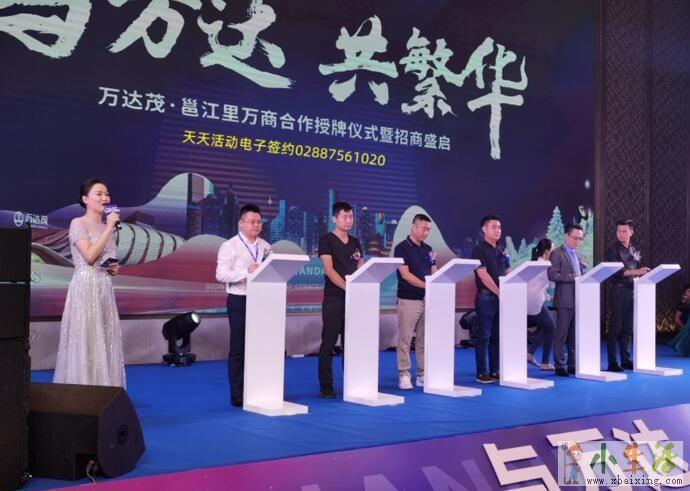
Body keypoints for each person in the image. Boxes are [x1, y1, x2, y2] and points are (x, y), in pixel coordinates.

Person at [53, 178, 125, 387]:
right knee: (86, 337)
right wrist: (109, 227)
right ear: (85, 199)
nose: (105, 198)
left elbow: (103, 260)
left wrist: (112, 268)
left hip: (104, 287)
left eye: (106, 194)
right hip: (85, 287)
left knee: (104, 338)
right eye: (99, 194)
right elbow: (90, 256)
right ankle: (83, 387)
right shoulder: (78, 223)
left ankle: (104, 387)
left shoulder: (106, 227)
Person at [216, 204, 271, 407]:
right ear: (241, 223)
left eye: (259, 222)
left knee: (259, 346)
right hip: (239, 299)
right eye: (252, 222)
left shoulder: (265, 246)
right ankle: (237, 394)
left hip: (261, 300)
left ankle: (257, 388)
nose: (256, 225)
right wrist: (245, 272)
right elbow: (221, 274)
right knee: (239, 347)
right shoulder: (229, 246)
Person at [317, 201, 363, 398]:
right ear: (334, 218)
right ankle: (326, 385)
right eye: (344, 217)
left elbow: (360, 266)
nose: (348, 221)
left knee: (351, 343)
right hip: (334, 298)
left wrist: (360, 287)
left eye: (351, 217)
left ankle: (351, 381)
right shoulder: (326, 240)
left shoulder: (355, 241)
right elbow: (329, 270)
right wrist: (348, 288)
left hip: (353, 299)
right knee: (329, 343)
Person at [393, 214, 438, 389]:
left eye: (429, 229)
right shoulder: (401, 248)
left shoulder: (428, 249)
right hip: (408, 299)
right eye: (424, 228)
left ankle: (422, 373)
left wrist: (436, 284)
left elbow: (434, 270)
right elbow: (405, 274)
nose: (426, 232)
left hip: (426, 300)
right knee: (405, 339)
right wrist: (427, 286)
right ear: (413, 227)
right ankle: (404, 373)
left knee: (423, 340)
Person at [604, 219, 650, 371]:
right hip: (619, 290)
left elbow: (637, 268)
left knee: (628, 327)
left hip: (632, 289)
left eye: (624, 231)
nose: (621, 234)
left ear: (631, 232)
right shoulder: (612, 250)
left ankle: (626, 359)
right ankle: (612, 362)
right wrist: (637, 271)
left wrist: (641, 273)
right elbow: (617, 272)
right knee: (615, 327)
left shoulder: (634, 250)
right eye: (619, 231)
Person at [471, 215, 510, 384]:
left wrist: (509, 287)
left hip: (500, 297)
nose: (498, 230)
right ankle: (482, 372)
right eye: (494, 227)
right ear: (484, 229)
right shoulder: (479, 249)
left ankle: (495, 370)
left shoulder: (501, 249)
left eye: (499, 227)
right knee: (484, 335)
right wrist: (499, 291)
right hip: (486, 297)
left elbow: (508, 270)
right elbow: (482, 274)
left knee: (497, 336)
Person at [548, 223, 587, 377]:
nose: (578, 241)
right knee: (562, 334)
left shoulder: (577, 254)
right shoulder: (557, 253)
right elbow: (552, 275)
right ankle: (559, 365)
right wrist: (572, 277)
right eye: (575, 238)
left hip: (578, 299)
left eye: (580, 239)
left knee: (573, 335)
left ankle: (572, 364)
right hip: (564, 300)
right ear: (566, 236)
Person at [526, 238, 556, 371]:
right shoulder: (546, 266)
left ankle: (530, 354)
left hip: (529, 301)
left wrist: (547, 296)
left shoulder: (535, 263)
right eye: (553, 250)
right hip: (535, 303)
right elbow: (552, 283)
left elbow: (539, 286)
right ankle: (545, 362)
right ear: (546, 251)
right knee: (551, 328)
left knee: (546, 327)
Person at [670, 284, 690, 356]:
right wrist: (684, 328)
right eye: (688, 291)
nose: (688, 293)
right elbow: (677, 318)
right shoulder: (682, 304)